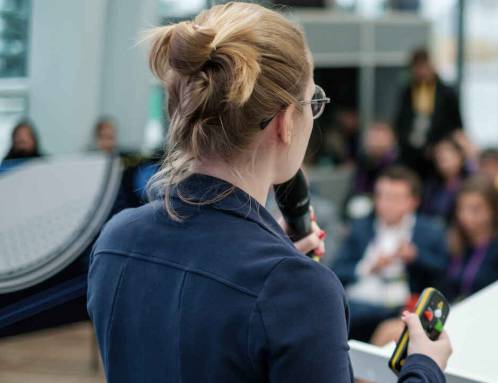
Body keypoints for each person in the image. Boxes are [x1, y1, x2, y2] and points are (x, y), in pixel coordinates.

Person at [86, 3, 451, 382]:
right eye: (313, 102)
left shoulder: (117, 239)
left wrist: (277, 271)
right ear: (284, 122)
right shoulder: (298, 290)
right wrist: (424, 366)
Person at [370, 176, 498, 347]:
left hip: (480, 323)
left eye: (476, 209)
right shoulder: (457, 242)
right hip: (449, 316)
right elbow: (442, 281)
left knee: (389, 333)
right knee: (385, 331)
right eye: (462, 209)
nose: (466, 216)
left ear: (493, 211)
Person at [331, 166, 448, 342]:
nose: (386, 204)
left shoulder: (429, 232)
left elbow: (443, 274)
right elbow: (336, 270)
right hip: (357, 305)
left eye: (395, 198)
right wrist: (368, 266)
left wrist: (415, 257)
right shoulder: (361, 227)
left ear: (413, 201)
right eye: (381, 196)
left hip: (401, 309)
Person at [394, 47, 463, 176]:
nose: (421, 72)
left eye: (424, 66)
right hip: (410, 152)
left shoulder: (446, 92)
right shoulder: (407, 92)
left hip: (437, 150)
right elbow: (401, 121)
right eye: (418, 67)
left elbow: (455, 124)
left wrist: (438, 146)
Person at [419, 136, 474, 224]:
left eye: (448, 151)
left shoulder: (472, 182)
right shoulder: (431, 185)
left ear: (460, 155)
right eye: (438, 152)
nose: (442, 155)